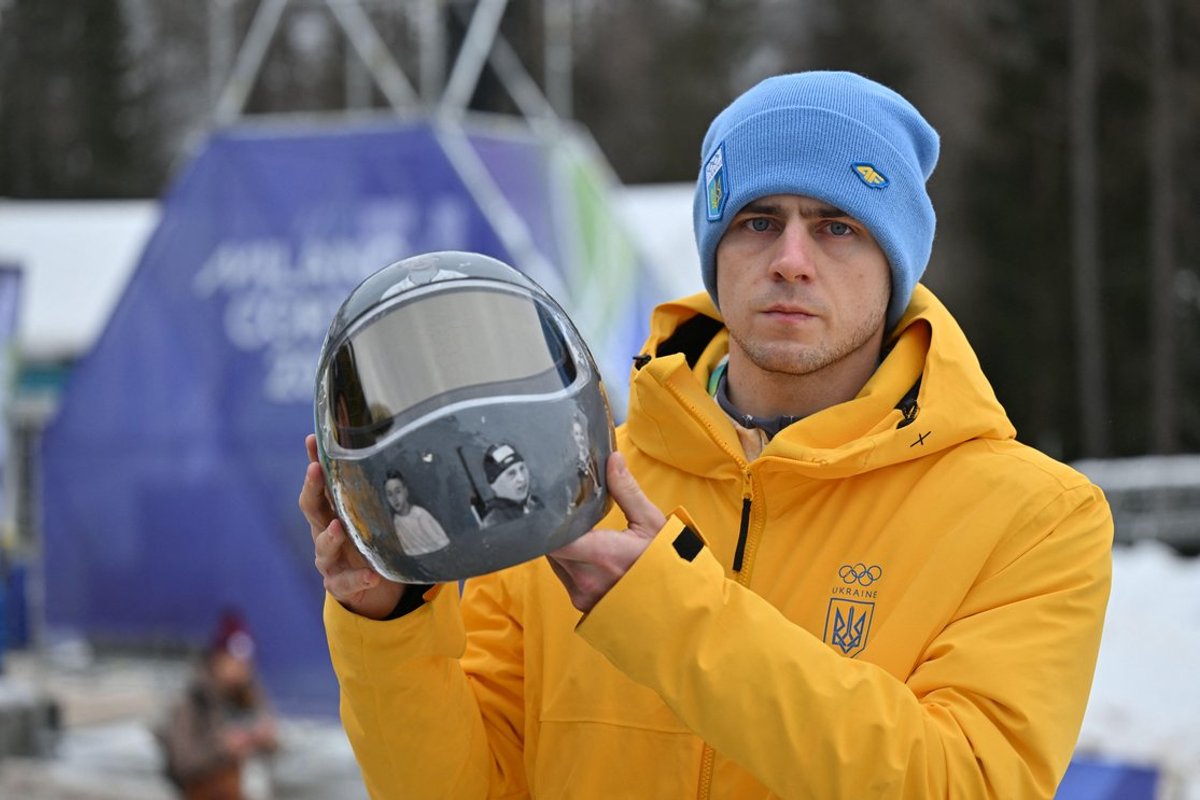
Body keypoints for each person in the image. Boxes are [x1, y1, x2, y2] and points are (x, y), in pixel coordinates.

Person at [300, 71, 1112, 799]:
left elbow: (964, 786)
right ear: (715, 249)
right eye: (758, 222)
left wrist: (668, 612)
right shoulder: (571, 481)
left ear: (897, 260)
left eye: (838, 227)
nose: (792, 259)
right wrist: (390, 623)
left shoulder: (1034, 517)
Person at [156, 611, 279, 800]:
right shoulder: (192, 701)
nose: (240, 667)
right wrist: (224, 747)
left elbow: (275, 747)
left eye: (244, 662)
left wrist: (266, 739)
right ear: (217, 659)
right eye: (233, 660)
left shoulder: (252, 696)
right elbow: (182, 761)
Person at [384, 469, 450, 555]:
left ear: (405, 491)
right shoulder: (396, 521)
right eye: (390, 494)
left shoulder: (419, 515)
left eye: (398, 492)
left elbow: (442, 543)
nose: (395, 498)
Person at [479, 442, 542, 526]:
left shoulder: (535, 503)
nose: (521, 479)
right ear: (494, 484)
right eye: (511, 474)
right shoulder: (495, 521)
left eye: (522, 468)